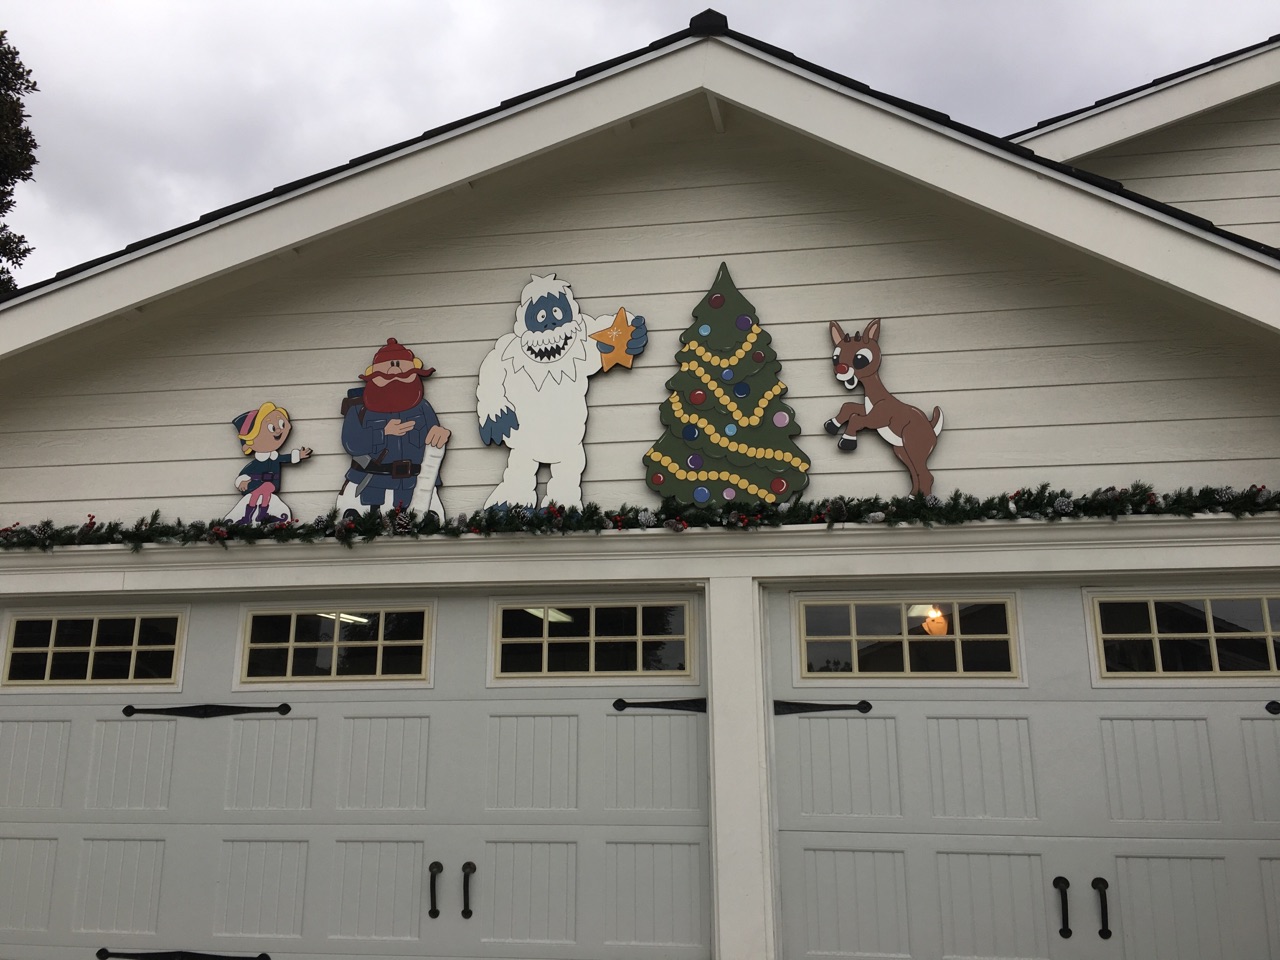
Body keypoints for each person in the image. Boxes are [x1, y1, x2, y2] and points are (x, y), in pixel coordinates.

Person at [337, 338, 450, 518]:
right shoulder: (358, 409)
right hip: (369, 488)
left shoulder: (423, 408)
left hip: (413, 489)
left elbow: (433, 438)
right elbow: (351, 443)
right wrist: (383, 432)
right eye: (387, 370)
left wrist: (440, 435)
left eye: (402, 370)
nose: (395, 372)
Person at [228, 402, 312, 524]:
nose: (278, 430)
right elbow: (244, 473)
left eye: (282, 424)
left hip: (272, 483)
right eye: (272, 428)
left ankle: (262, 514)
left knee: (266, 489)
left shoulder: (275, 457)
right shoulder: (257, 462)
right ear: (250, 442)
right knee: (256, 494)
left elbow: (286, 458)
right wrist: (242, 481)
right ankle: (249, 516)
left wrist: (298, 455)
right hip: (255, 484)